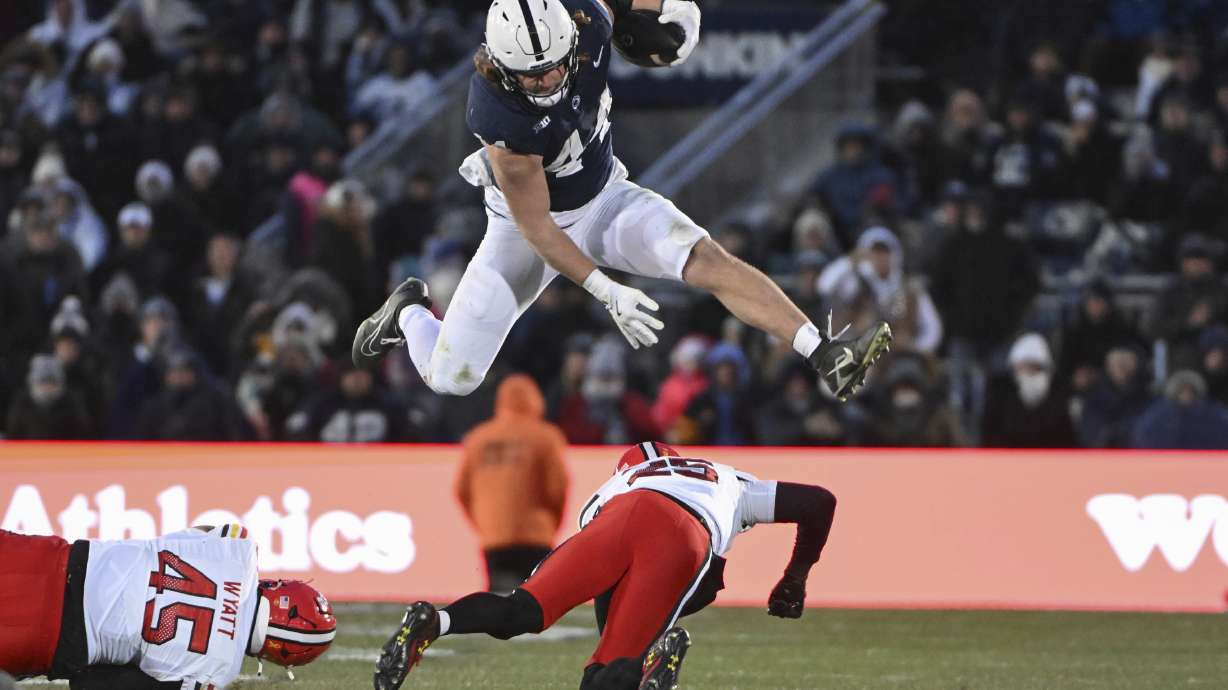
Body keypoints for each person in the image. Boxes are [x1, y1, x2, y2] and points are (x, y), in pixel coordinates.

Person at [351, 0, 891, 405]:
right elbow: (540, 229)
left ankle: (823, 352)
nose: (549, 81)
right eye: (532, 76)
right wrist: (607, 291)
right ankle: (411, 313)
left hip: (606, 195)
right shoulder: (498, 116)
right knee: (454, 378)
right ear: (499, 67)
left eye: (557, 67)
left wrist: (672, 12)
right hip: (528, 230)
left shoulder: (586, 18)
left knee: (706, 259)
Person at [373, 441, 838, 690]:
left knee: (521, 611)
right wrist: (794, 578)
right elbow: (820, 501)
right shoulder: (726, 476)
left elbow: (606, 593)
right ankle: (647, 665)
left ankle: (437, 620)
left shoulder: (612, 488)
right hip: (687, 530)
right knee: (608, 669)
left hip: (616, 519)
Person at [0, 524, 334, 688]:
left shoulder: (239, 549)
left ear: (280, 590)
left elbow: (201, 531)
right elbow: (96, 684)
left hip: (51, 560)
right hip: (49, 639)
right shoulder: (216, 672)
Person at [457, 374, 569, 592]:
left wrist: (483, 523)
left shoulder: (477, 438)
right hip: (536, 534)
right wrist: (552, 524)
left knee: (498, 604)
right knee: (537, 602)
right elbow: (558, 488)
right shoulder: (546, 437)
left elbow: (461, 491)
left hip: (493, 536)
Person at [981, 333, 1077, 448]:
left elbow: (1066, 439)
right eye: (1025, 366)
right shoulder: (1000, 396)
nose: (1029, 372)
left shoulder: (1058, 398)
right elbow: (990, 435)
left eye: (1035, 367)